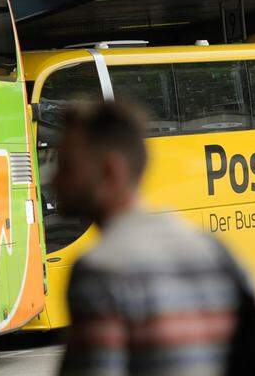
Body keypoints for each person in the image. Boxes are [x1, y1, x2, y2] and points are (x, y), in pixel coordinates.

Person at [56, 103, 241, 376]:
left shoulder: (100, 270)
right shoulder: (213, 250)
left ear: (110, 171)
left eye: (67, 166)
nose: (54, 180)